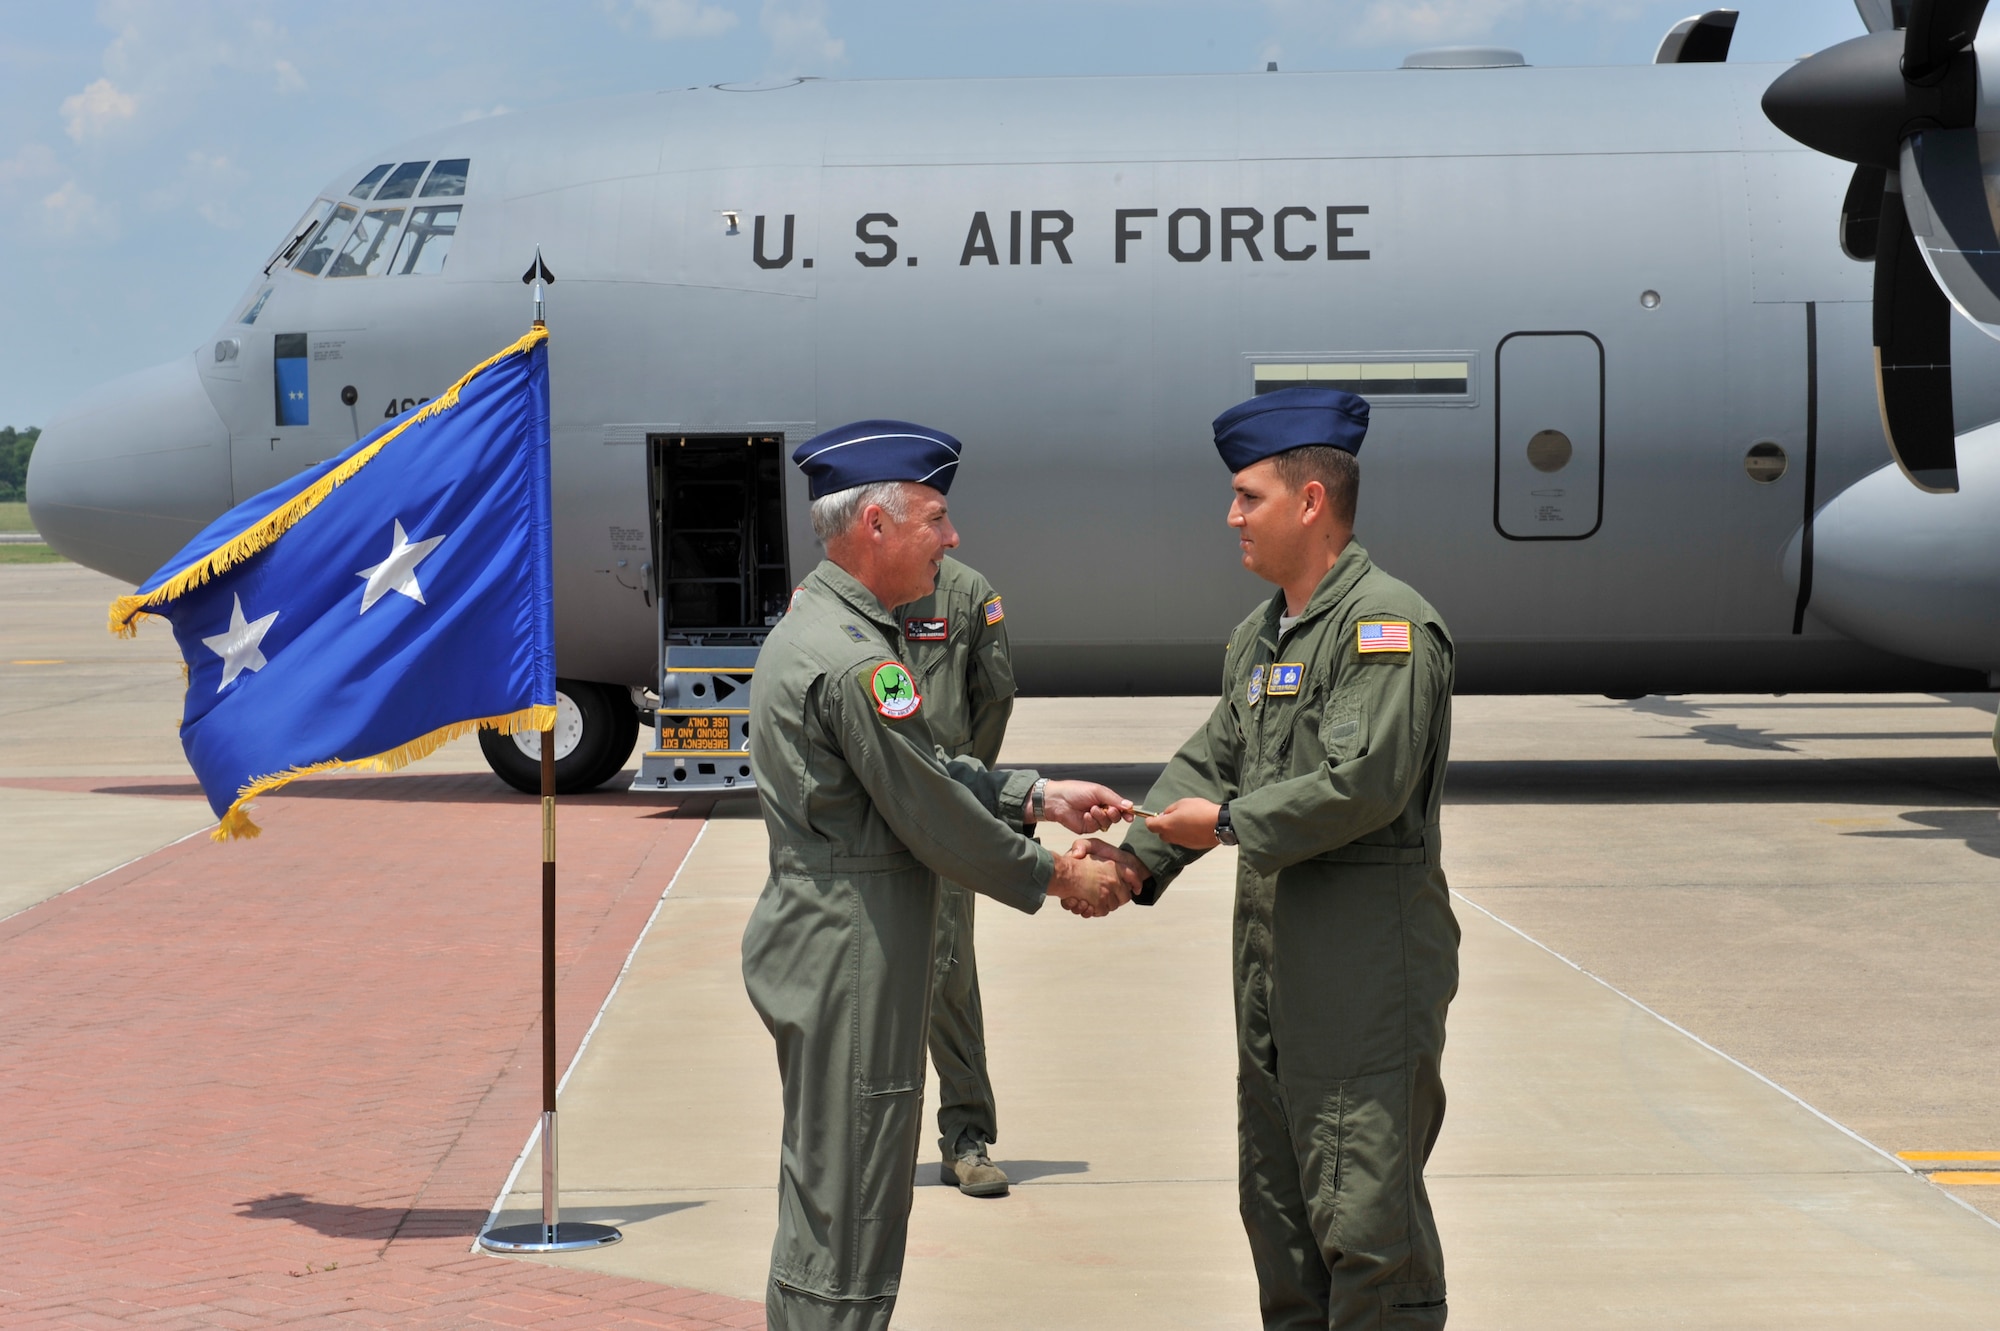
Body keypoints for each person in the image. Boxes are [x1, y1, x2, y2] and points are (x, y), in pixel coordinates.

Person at [743, 418, 1140, 1331]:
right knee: (849, 1207)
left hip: (840, 936)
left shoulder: (833, 631)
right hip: (853, 951)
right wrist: (1055, 876)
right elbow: (926, 808)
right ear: (875, 525)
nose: (952, 539)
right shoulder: (852, 659)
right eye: (935, 517)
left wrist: (1039, 794)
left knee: (832, 1190)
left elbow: (926, 767)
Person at [1074, 386, 1459, 1329]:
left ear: (1312, 503)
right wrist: (1132, 858)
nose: (1231, 515)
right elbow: (1212, 756)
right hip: (1275, 973)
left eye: (1249, 496)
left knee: (1367, 1226)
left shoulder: (1386, 627)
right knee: (1281, 1220)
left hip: (1364, 973)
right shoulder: (1262, 635)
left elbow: (1364, 783)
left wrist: (1234, 825)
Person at [894, 554, 1016, 1197]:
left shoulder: (967, 592)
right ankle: (860, 1141)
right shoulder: (837, 593)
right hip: (864, 814)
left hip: (941, 806)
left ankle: (965, 1137)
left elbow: (993, 699)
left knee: (947, 973)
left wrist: (959, 787)